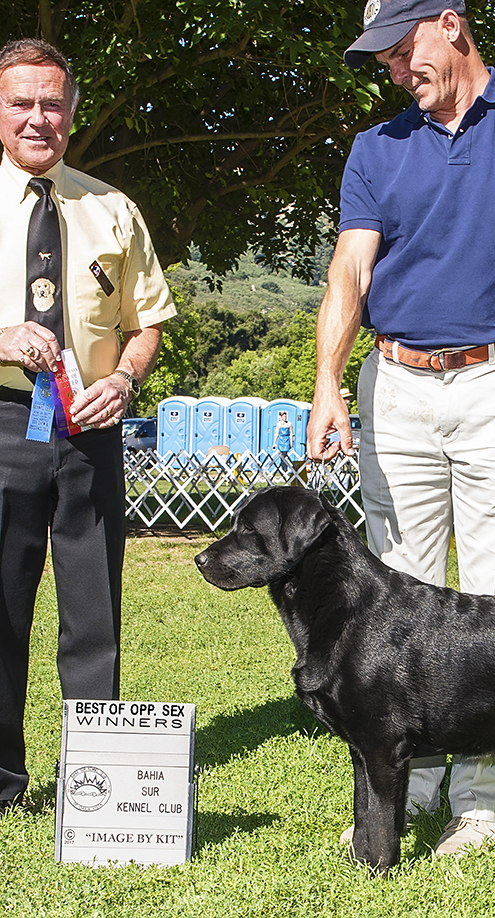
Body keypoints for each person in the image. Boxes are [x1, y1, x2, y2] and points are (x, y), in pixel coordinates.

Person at [306, 2, 495, 857]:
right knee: (392, 598)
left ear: (451, 23)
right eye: (387, 63)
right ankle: (405, 779)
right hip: (395, 384)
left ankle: (480, 798)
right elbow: (349, 270)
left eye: (405, 51)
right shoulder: (376, 148)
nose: (398, 73)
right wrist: (328, 379)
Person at [0, 39, 175, 816]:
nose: (38, 117)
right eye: (21, 102)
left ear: (71, 110)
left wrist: (126, 378)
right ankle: (3, 783)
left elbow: (147, 324)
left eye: (52, 103)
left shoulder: (114, 209)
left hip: (90, 434)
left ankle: (93, 793)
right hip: (3, 424)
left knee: (94, 617)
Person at [272, 410, 294, 477]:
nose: (285, 418)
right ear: (281, 417)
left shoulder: (289, 424)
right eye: (283, 416)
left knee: (285, 454)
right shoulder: (279, 424)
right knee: (282, 455)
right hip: (281, 440)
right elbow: (276, 434)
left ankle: (285, 468)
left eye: (285, 416)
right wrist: (274, 443)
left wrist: (291, 442)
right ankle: (283, 468)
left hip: (286, 440)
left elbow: (291, 433)